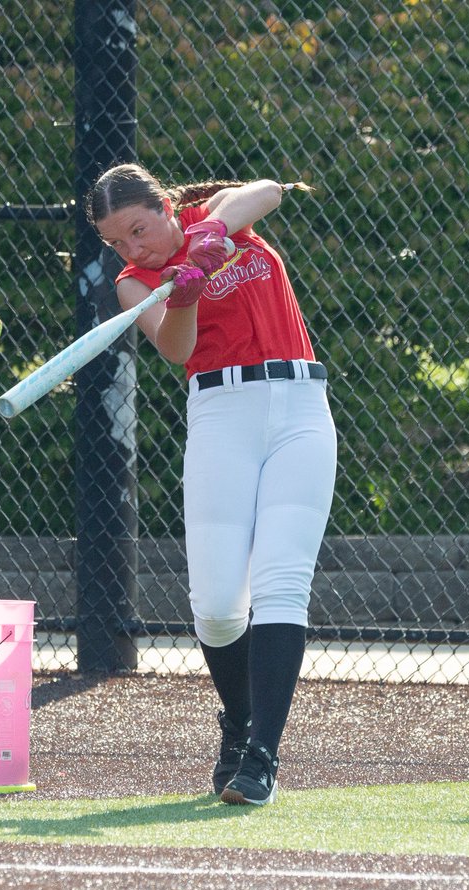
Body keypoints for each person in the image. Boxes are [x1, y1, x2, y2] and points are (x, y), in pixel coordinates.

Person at [85, 163, 336, 804]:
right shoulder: (135, 283)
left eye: (138, 229)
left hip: (300, 407)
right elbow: (174, 348)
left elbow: (269, 190)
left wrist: (211, 239)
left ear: (166, 206)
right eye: (118, 241)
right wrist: (184, 292)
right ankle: (239, 720)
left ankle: (261, 758)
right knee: (219, 607)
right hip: (222, 415)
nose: (133, 248)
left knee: (282, 583)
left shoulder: (215, 216)